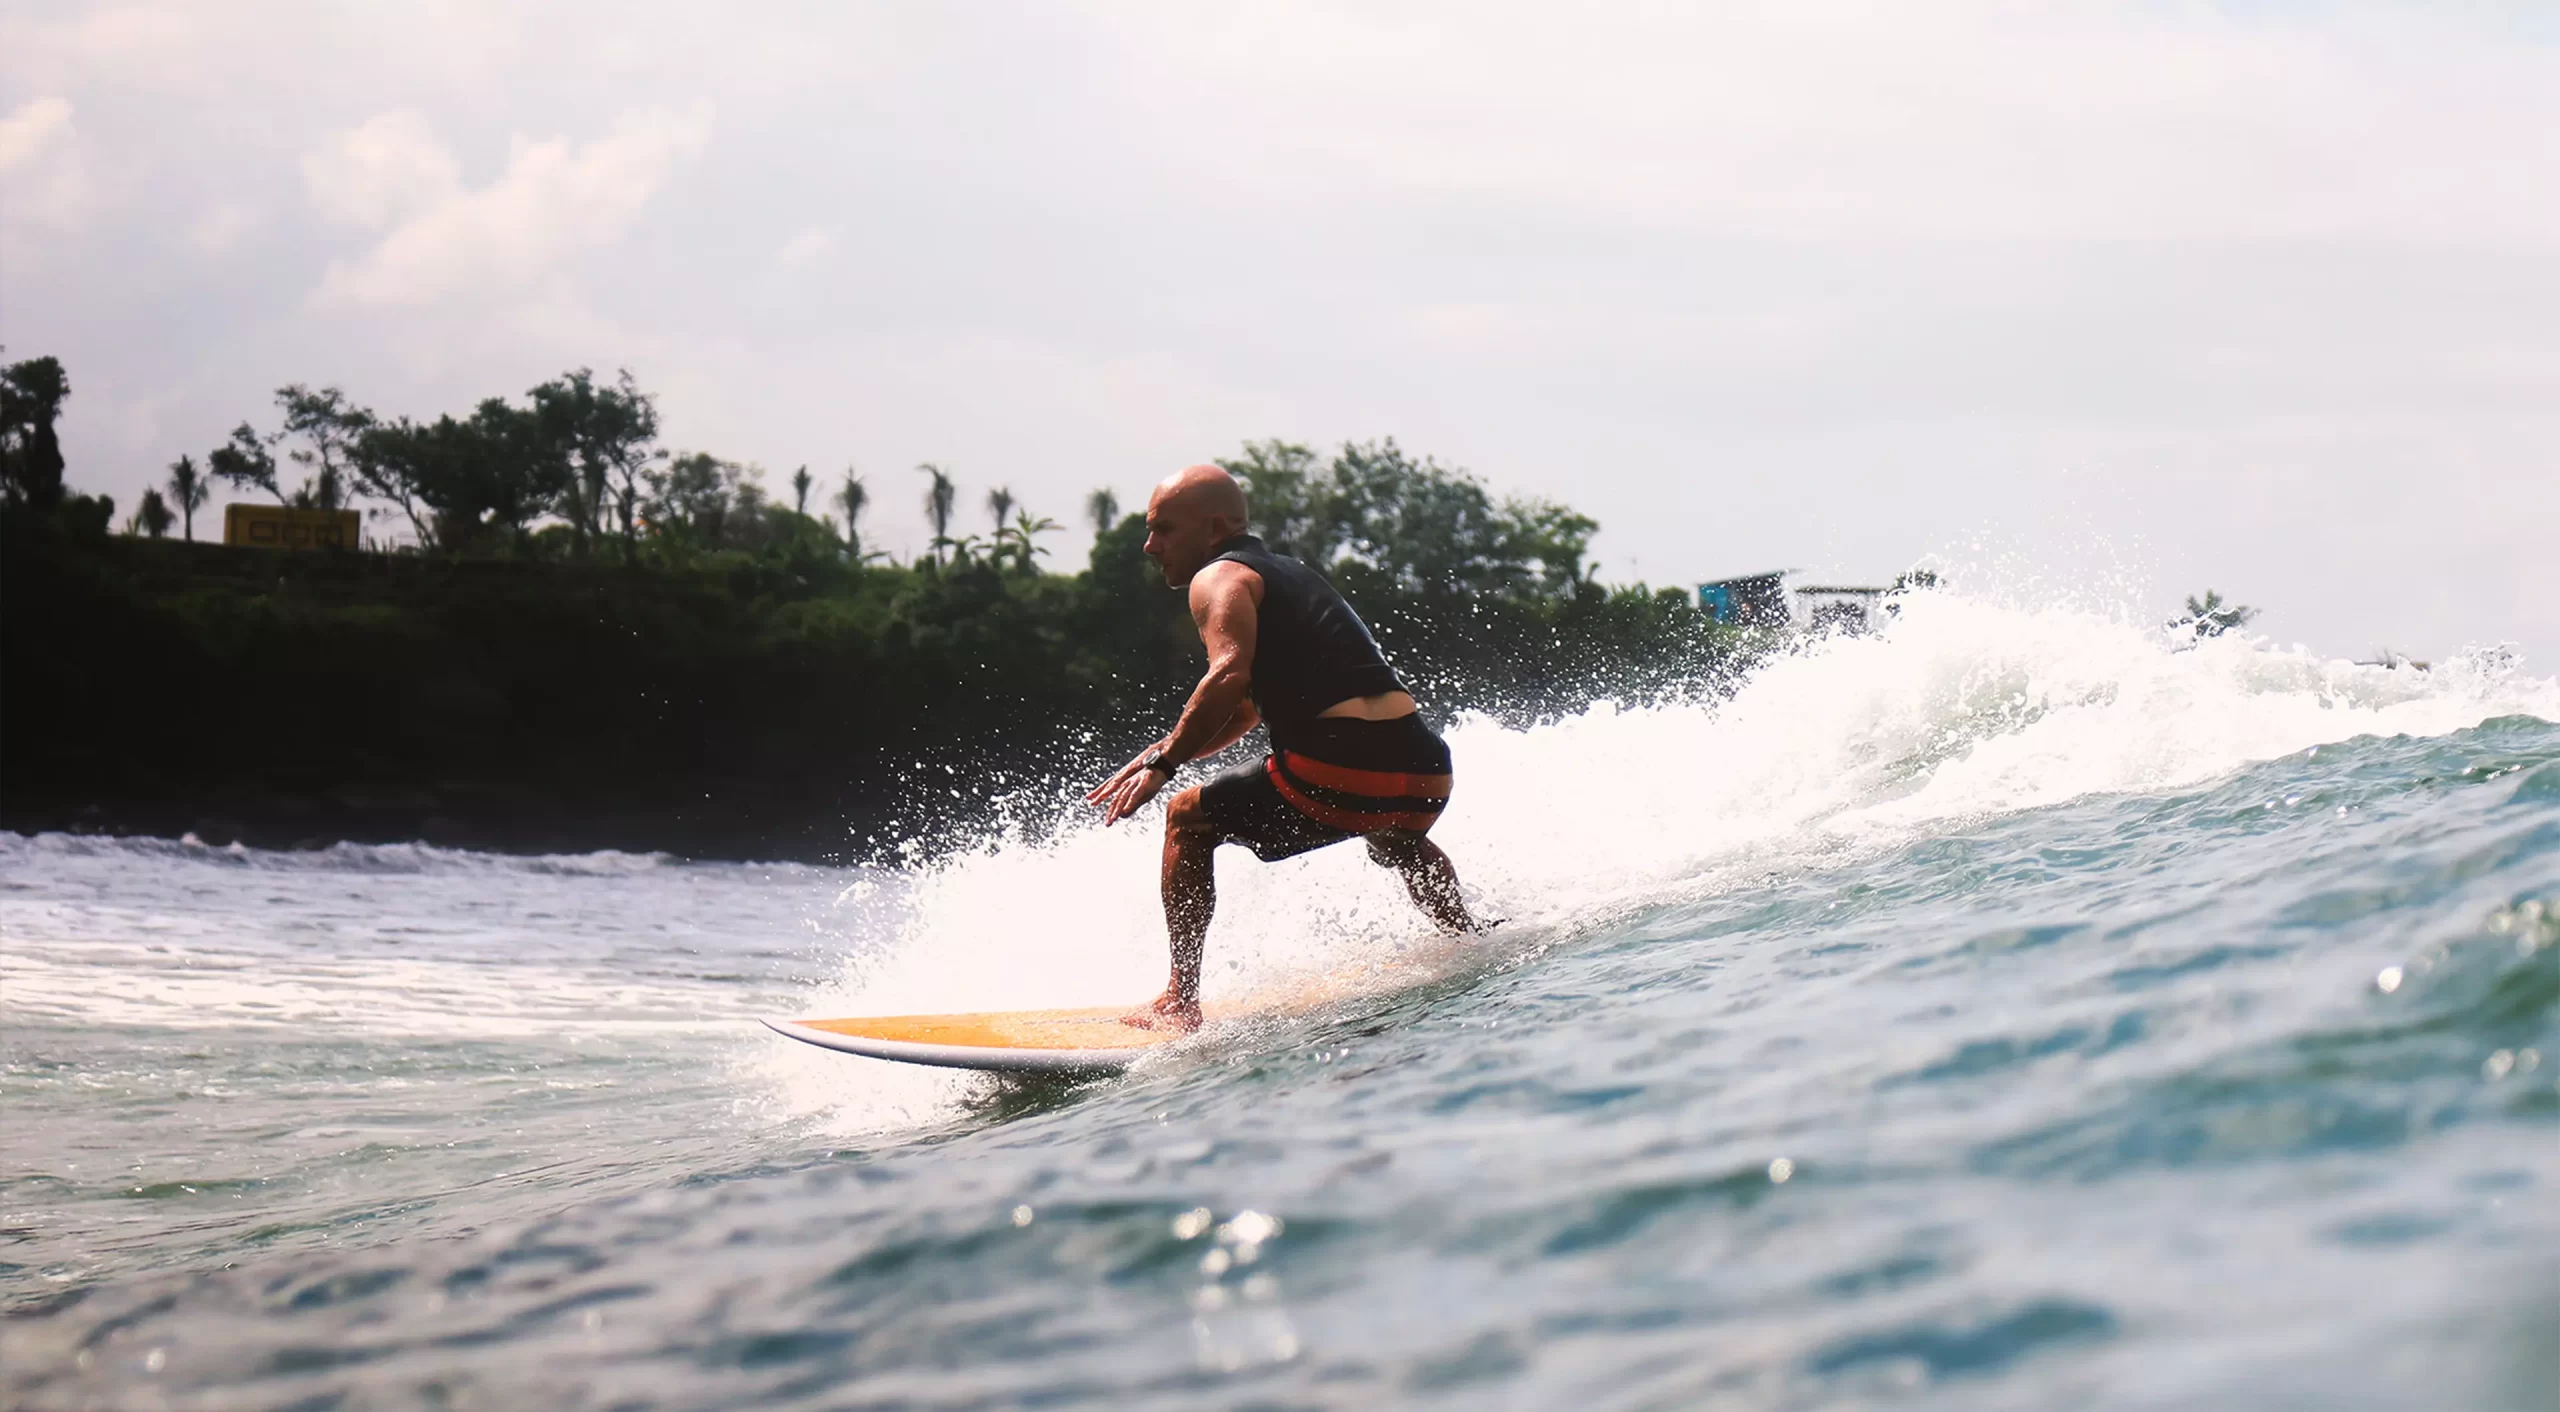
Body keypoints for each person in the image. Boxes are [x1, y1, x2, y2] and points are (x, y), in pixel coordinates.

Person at [1086, 464, 1482, 1032]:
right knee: (1391, 830)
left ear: (1214, 526)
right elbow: (1247, 708)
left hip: (1340, 765)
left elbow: (1226, 677)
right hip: (1424, 769)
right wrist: (1170, 747)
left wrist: (1166, 765)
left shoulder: (1218, 577)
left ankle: (1179, 998)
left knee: (1186, 818)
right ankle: (1466, 938)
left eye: (1165, 529)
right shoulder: (1292, 574)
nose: (1151, 546)